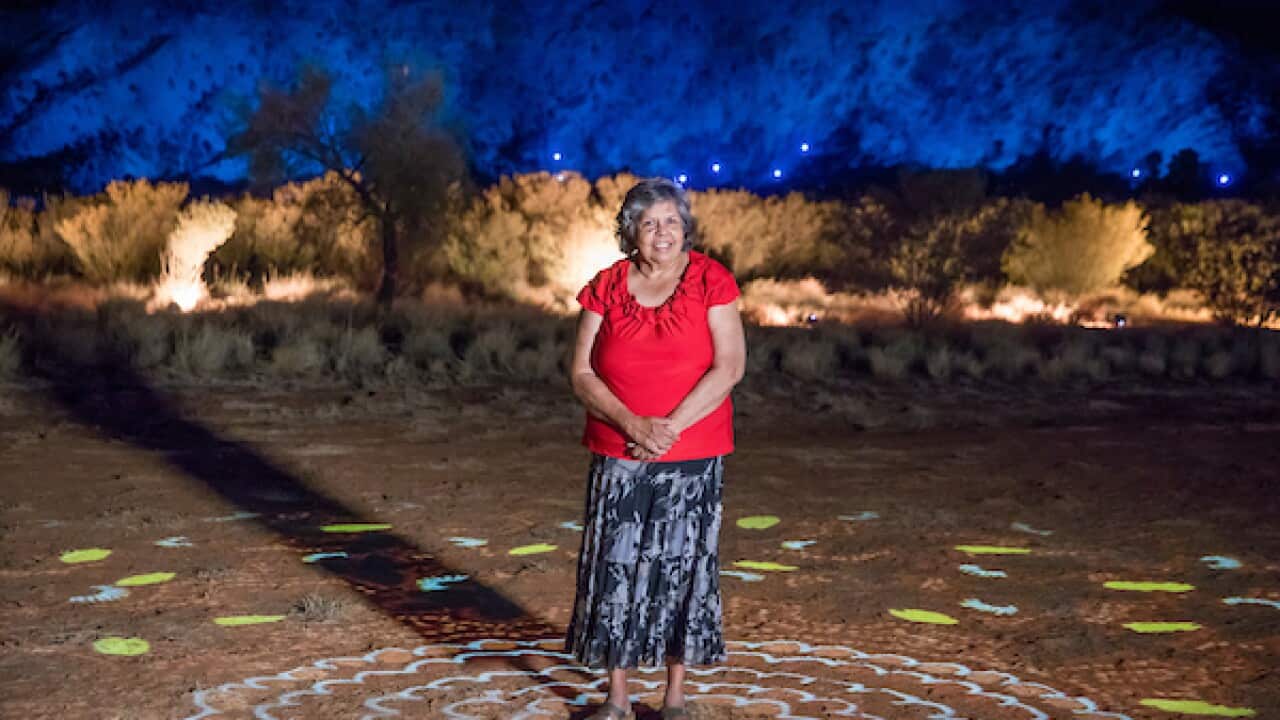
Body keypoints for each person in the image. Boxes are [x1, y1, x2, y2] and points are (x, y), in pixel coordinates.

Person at [565, 177, 746, 720]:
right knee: (614, 568)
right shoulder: (605, 286)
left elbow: (729, 366)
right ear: (631, 232)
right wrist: (631, 424)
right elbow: (579, 372)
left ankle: (674, 699)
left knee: (681, 571)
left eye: (670, 221)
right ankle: (617, 700)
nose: (661, 232)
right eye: (649, 223)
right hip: (619, 451)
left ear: (684, 227)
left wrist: (667, 428)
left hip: (692, 454)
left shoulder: (712, 280)